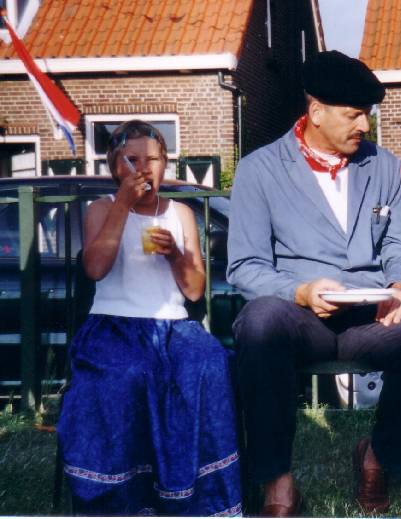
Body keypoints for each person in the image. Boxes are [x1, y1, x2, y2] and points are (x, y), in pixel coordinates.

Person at [226, 50, 401, 517]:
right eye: (353, 115)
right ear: (316, 113)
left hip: (370, 317)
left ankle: (377, 457)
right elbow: (245, 265)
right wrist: (300, 292)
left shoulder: (382, 165)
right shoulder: (259, 169)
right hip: (297, 315)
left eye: (367, 114)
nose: (365, 125)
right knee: (258, 323)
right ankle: (277, 482)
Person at [57, 120, 242, 516]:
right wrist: (123, 204)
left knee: (209, 365)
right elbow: (95, 268)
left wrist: (176, 255)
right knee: (126, 375)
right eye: (133, 159)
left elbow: (194, 291)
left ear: (165, 165)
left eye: (153, 159)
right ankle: (123, 496)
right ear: (115, 165)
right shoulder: (101, 209)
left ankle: (195, 493)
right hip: (113, 324)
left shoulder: (180, 213)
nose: (144, 168)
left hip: (174, 327)